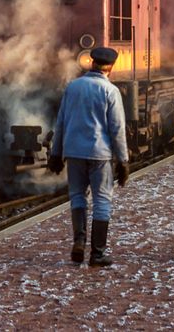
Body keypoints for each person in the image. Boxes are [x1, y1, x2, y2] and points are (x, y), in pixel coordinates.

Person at [48, 46, 129, 267]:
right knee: (102, 200)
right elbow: (117, 128)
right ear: (110, 67)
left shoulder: (73, 87)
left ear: (91, 64)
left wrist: (56, 153)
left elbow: (61, 122)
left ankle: (79, 241)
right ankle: (97, 253)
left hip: (74, 152)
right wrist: (123, 160)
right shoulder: (110, 91)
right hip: (99, 154)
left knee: (77, 196)